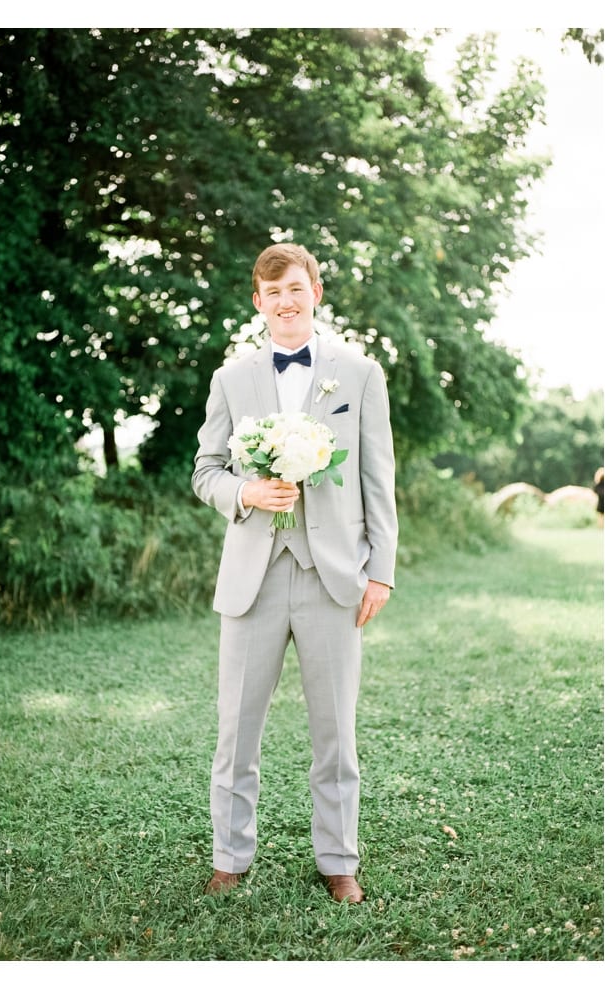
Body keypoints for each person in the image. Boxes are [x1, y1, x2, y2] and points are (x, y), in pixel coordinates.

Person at [192, 243, 398, 904]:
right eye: (273, 291)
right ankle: (230, 855)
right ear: (258, 301)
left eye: (296, 289)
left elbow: (378, 479)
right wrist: (245, 494)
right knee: (236, 731)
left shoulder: (359, 373)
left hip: (334, 576)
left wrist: (381, 571)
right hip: (251, 575)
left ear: (315, 293)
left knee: (336, 733)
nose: (286, 301)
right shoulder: (232, 378)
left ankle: (339, 859)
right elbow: (205, 472)